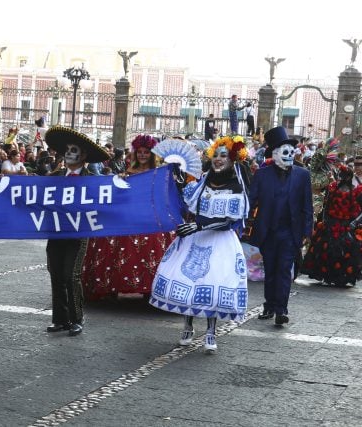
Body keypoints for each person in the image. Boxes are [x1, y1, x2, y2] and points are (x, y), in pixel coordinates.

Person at [149, 135, 250, 353]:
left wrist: (199, 226)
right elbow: (189, 206)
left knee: (213, 284)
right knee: (190, 280)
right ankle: (188, 325)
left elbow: (229, 220)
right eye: (216, 155)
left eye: (224, 156)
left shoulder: (235, 186)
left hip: (219, 241)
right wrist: (175, 179)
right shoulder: (203, 181)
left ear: (232, 160)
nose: (219, 159)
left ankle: (211, 331)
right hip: (195, 238)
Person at [82, 135, 174, 301]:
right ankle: (110, 285)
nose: (143, 155)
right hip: (129, 214)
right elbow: (120, 195)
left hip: (150, 214)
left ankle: (150, 289)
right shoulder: (127, 173)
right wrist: (120, 183)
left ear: (152, 154)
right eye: (140, 152)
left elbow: (163, 196)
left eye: (146, 152)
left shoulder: (159, 174)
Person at [43, 125, 111, 336]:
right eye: (67, 150)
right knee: (55, 274)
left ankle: (77, 318)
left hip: (78, 233)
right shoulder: (55, 176)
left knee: (71, 275)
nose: (69, 154)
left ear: (84, 156)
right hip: (55, 232)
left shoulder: (92, 179)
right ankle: (60, 319)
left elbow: (103, 204)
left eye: (74, 150)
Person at [249, 126, 313, 326]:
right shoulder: (262, 175)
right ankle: (269, 305)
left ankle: (281, 309)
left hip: (290, 231)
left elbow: (307, 206)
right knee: (270, 270)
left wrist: (306, 232)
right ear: (275, 154)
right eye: (285, 151)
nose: (290, 155)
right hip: (268, 231)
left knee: (285, 270)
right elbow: (251, 202)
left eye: (291, 152)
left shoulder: (303, 175)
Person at [301, 165, 362, 287]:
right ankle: (335, 275)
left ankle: (333, 275)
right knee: (334, 250)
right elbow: (328, 206)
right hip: (339, 225)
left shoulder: (337, 189)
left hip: (337, 224)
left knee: (332, 249)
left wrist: (352, 223)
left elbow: (327, 207)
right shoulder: (339, 189)